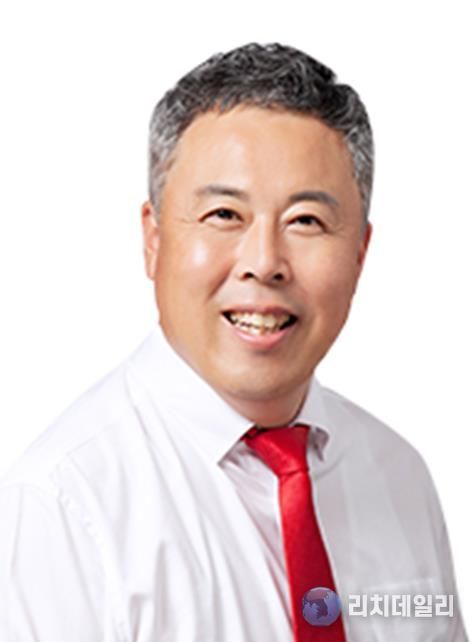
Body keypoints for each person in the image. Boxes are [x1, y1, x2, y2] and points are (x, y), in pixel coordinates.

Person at [0, 43, 467, 642]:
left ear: (359, 253)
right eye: (224, 214)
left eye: (306, 221)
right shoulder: (62, 509)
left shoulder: (399, 477)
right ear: (153, 240)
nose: (264, 262)